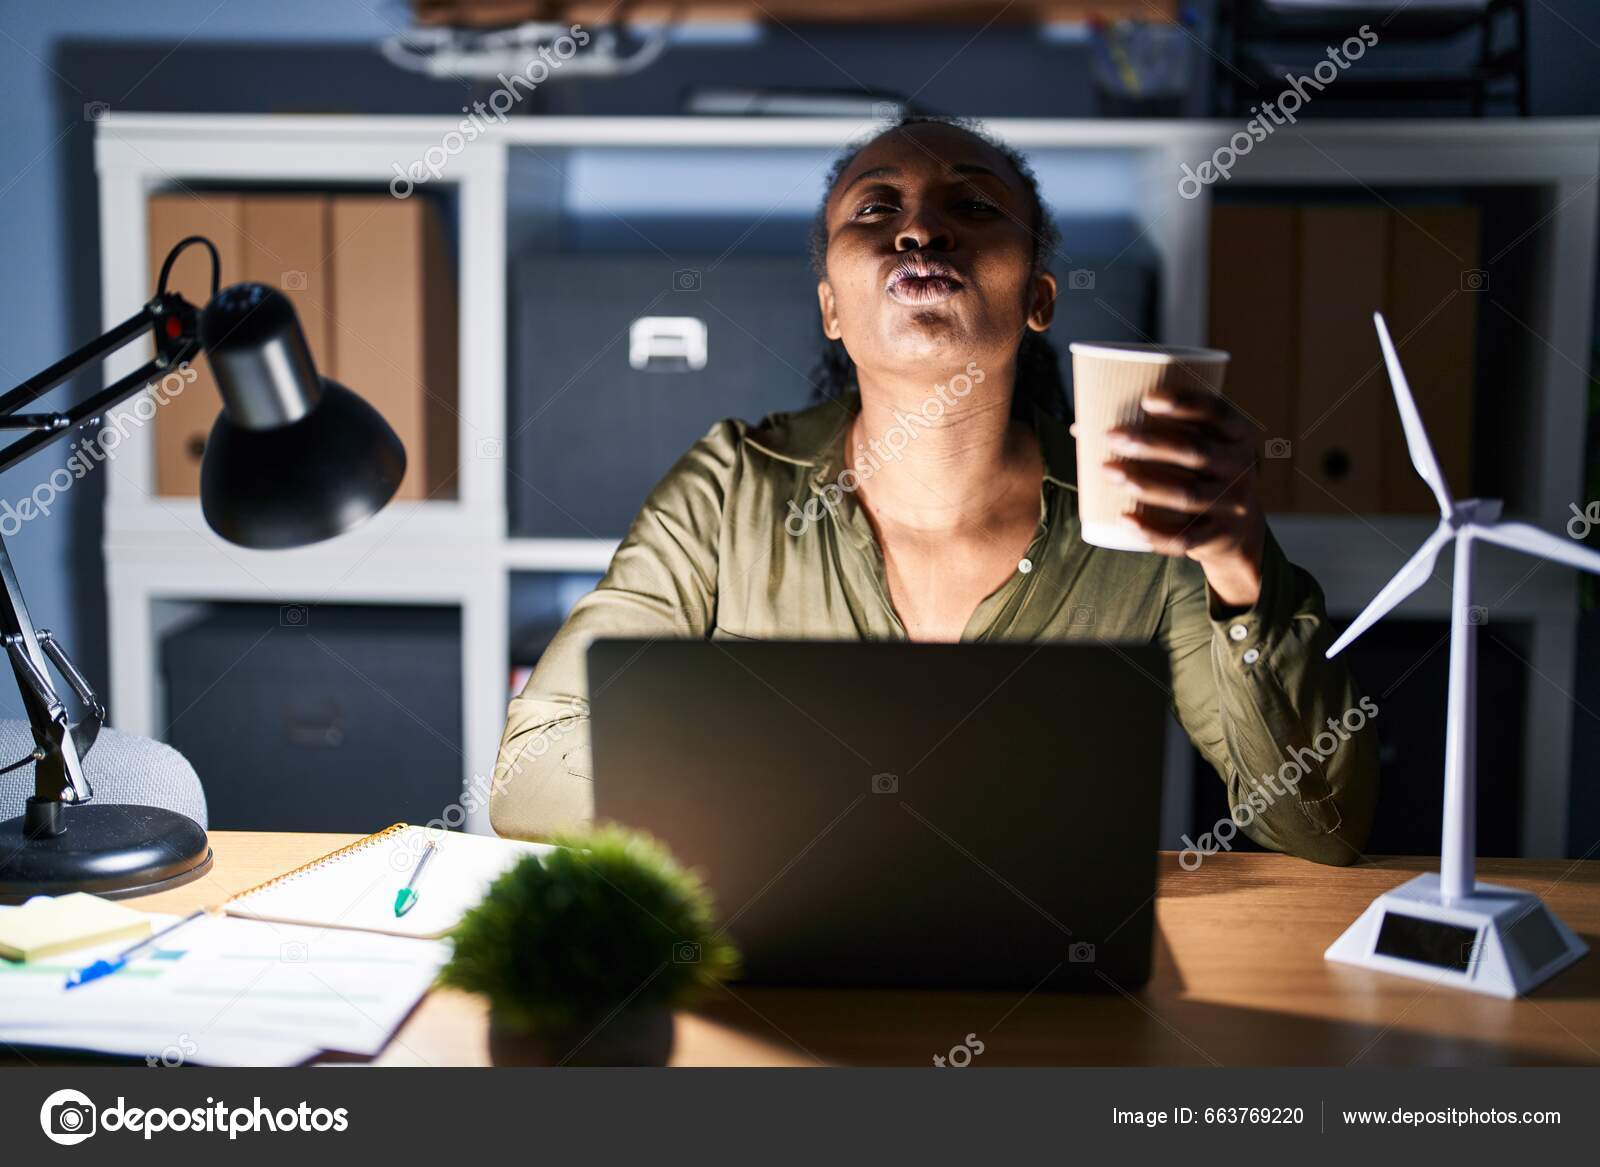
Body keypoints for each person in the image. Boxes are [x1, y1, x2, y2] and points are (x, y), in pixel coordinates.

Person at [491, 115, 1378, 865]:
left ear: (1037, 298)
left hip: (1043, 991)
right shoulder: (728, 488)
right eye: (877, 209)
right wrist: (827, 798)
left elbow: (1315, 827)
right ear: (832, 309)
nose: (920, 231)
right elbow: (529, 770)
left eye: (973, 207)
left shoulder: (1142, 512)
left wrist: (1240, 568)